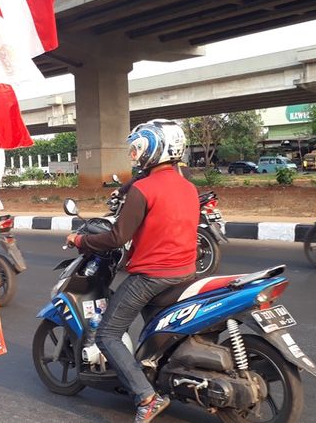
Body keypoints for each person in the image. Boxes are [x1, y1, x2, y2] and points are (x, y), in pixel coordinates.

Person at [65, 119, 198, 422]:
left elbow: (117, 238)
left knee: (107, 334)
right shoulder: (187, 185)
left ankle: (146, 397)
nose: (134, 154)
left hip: (152, 275)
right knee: (155, 325)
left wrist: (80, 239)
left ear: (153, 149)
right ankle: (154, 371)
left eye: (138, 148)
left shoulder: (144, 189)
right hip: (185, 271)